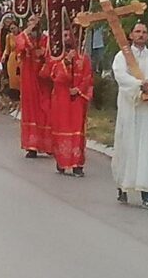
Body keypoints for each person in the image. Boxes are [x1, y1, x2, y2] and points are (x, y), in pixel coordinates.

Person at [112, 22, 148, 210]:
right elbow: (120, 76)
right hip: (130, 107)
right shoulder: (122, 56)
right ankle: (123, 185)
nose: (141, 34)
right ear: (130, 35)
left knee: (147, 149)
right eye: (137, 31)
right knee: (127, 145)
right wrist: (139, 85)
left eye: (144, 32)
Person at [48, 31, 93, 176]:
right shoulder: (57, 57)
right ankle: (62, 160)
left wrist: (78, 89)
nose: (67, 38)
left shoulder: (84, 58)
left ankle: (77, 164)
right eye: (65, 35)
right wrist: (67, 61)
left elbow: (88, 77)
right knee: (61, 128)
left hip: (77, 99)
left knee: (77, 130)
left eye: (70, 35)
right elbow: (55, 76)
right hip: (61, 99)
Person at [17, 14, 51, 156]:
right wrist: (28, 30)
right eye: (30, 20)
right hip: (29, 78)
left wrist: (43, 53)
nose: (33, 23)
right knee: (30, 110)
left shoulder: (46, 39)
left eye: (35, 20)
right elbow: (20, 45)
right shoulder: (25, 36)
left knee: (45, 109)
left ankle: (47, 144)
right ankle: (32, 146)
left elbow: (51, 54)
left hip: (43, 80)